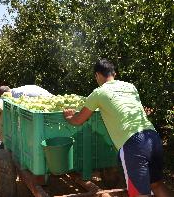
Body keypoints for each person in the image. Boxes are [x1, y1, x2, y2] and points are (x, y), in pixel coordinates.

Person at [63, 58, 172, 197]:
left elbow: (78, 120)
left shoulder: (98, 93)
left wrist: (69, 117)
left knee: (139, 193)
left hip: (133, 144)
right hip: (152, 137)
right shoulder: (130, 87)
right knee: (156, 184)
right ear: (113, 73)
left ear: (97, 75)